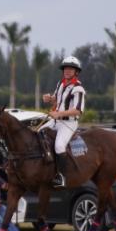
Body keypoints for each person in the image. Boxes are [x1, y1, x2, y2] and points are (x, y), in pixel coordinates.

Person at [40, 56, 85, 188]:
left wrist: (59, 114)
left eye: (70, 69)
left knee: (59, 146)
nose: (67, 71)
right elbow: (57, 100)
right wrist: (49, 99)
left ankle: (62, 177)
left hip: (69, 123)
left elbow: (78, 110)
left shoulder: (78, 89)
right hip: (56, 120)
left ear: (76, 72)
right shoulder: (61, 83)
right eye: (65, 68)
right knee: (38, 134)